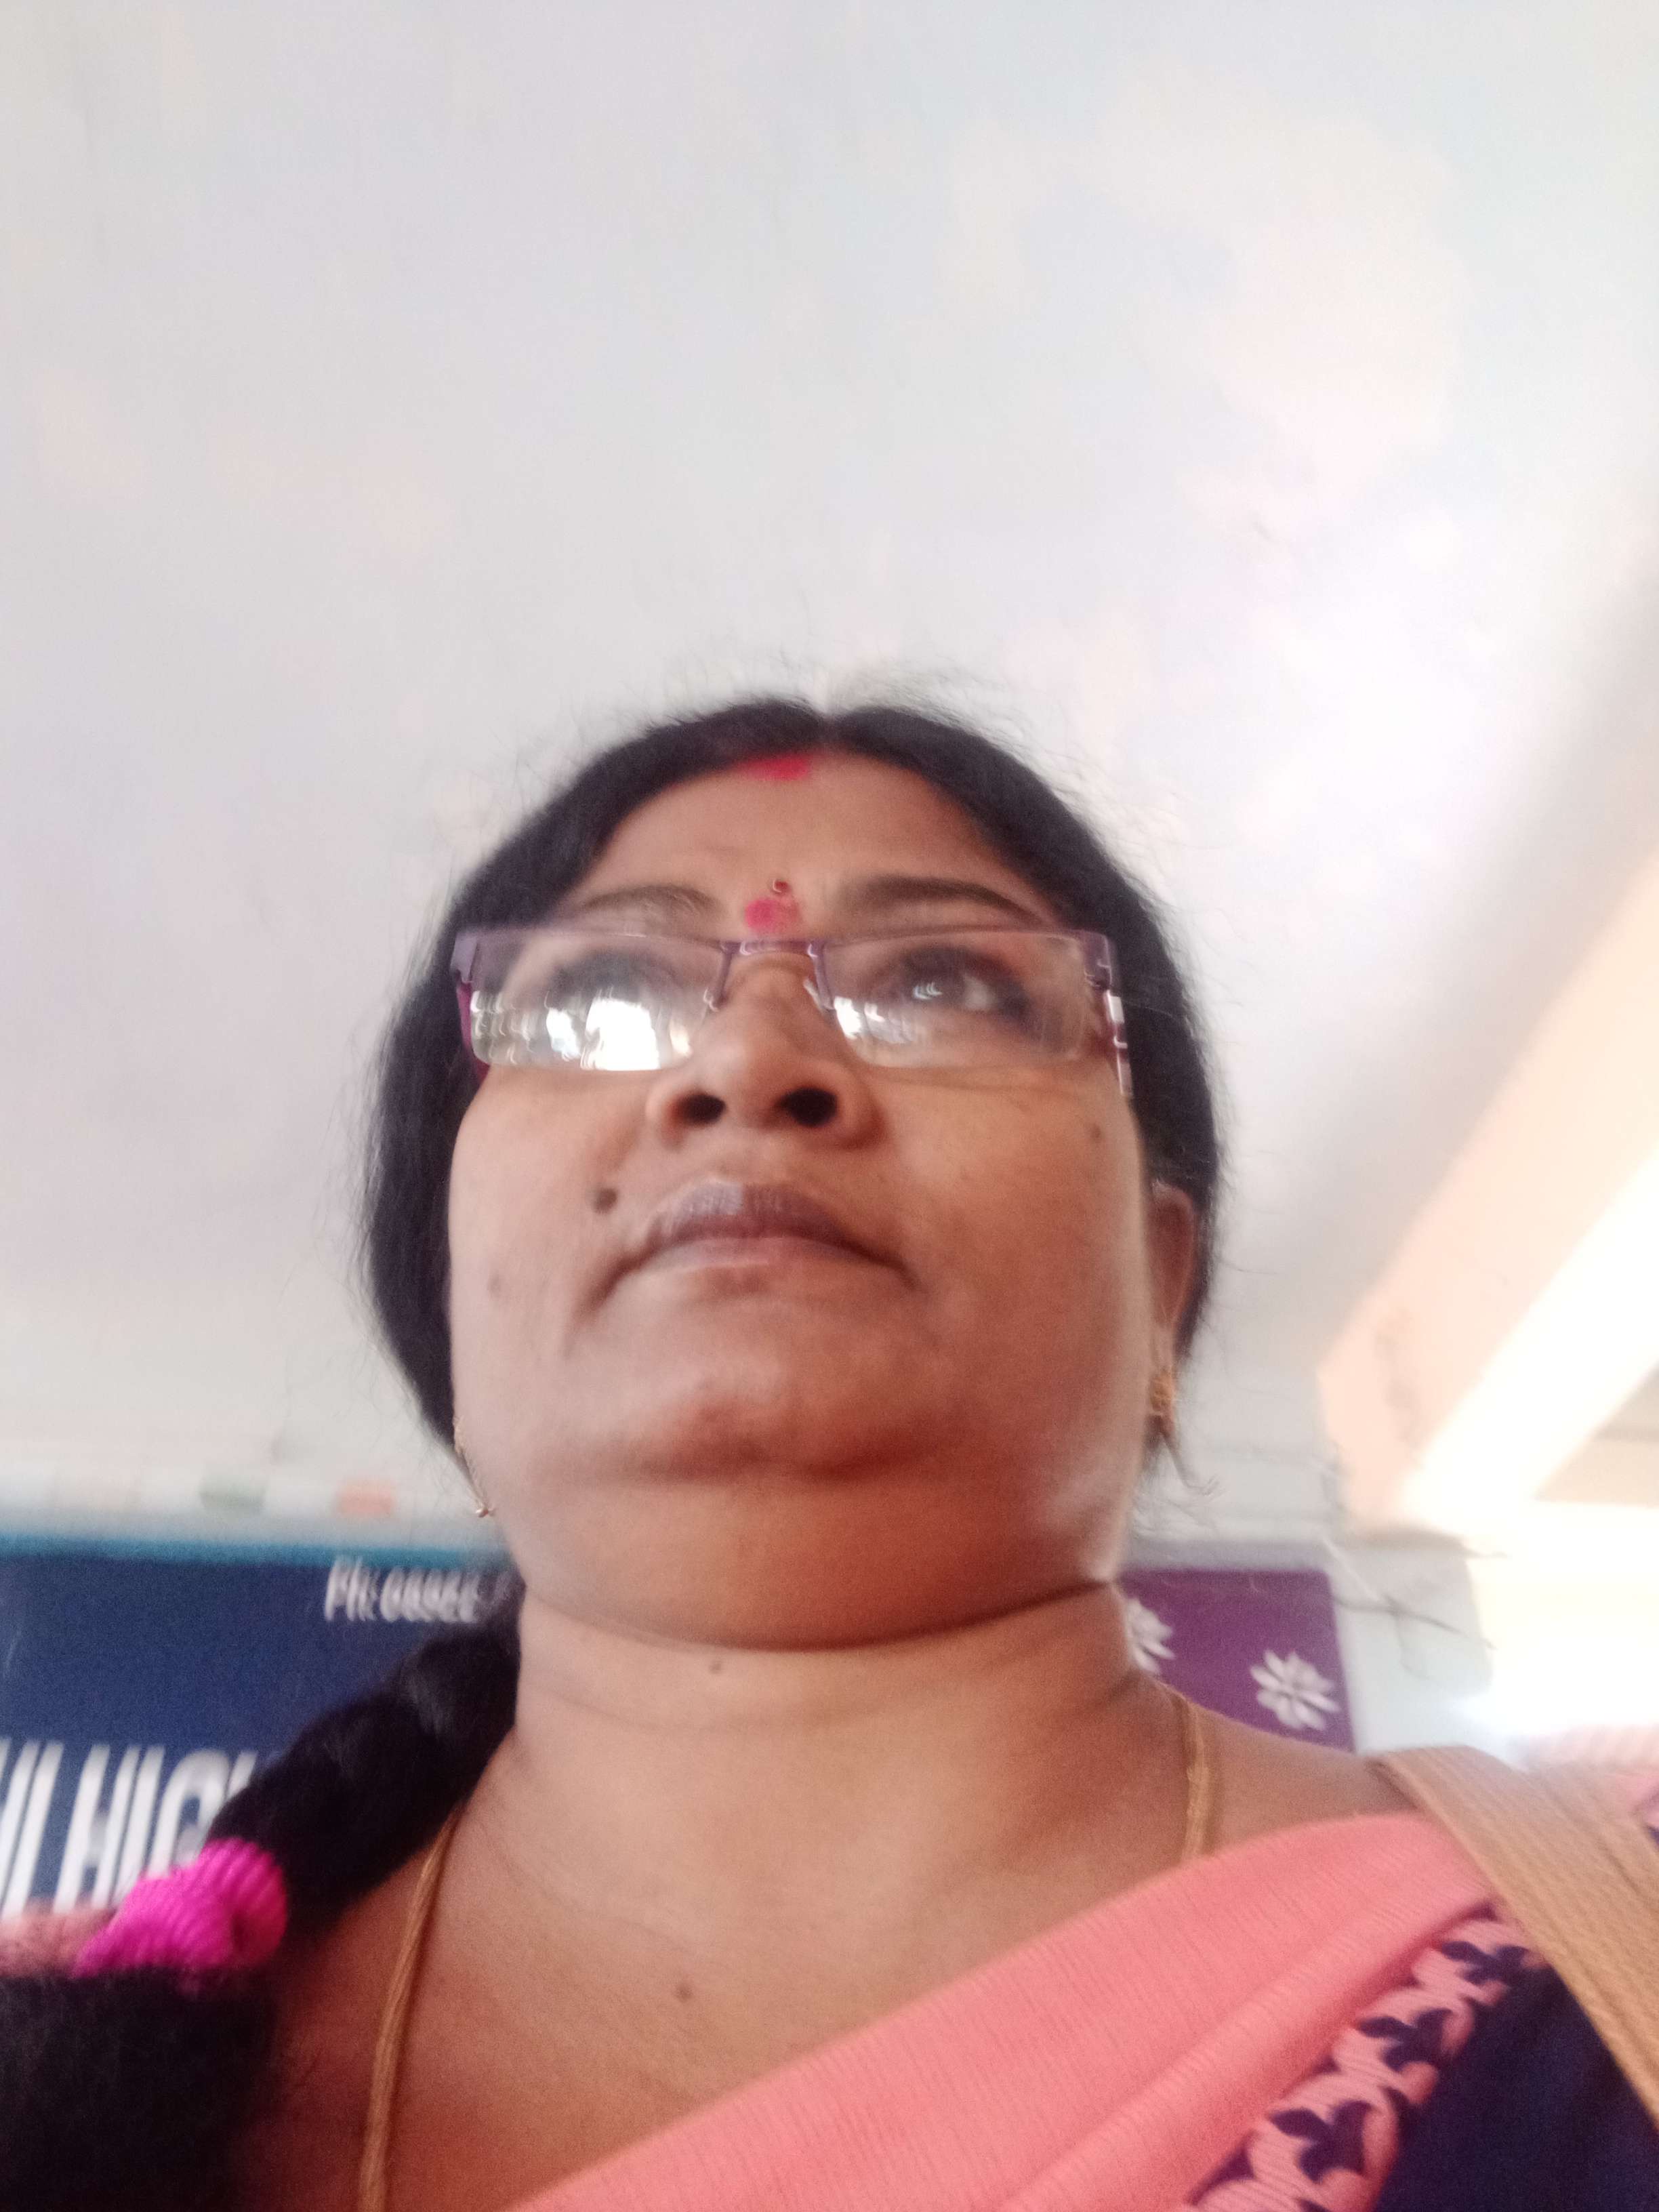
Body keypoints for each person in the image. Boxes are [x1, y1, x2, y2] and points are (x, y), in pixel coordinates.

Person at [2, 697, 1654, 2212]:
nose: (747, 1063)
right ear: (450, 1294)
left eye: (946, 983)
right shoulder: (71, 2077)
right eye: (597, 997)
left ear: (1162, 1279)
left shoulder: (1608, 1916)